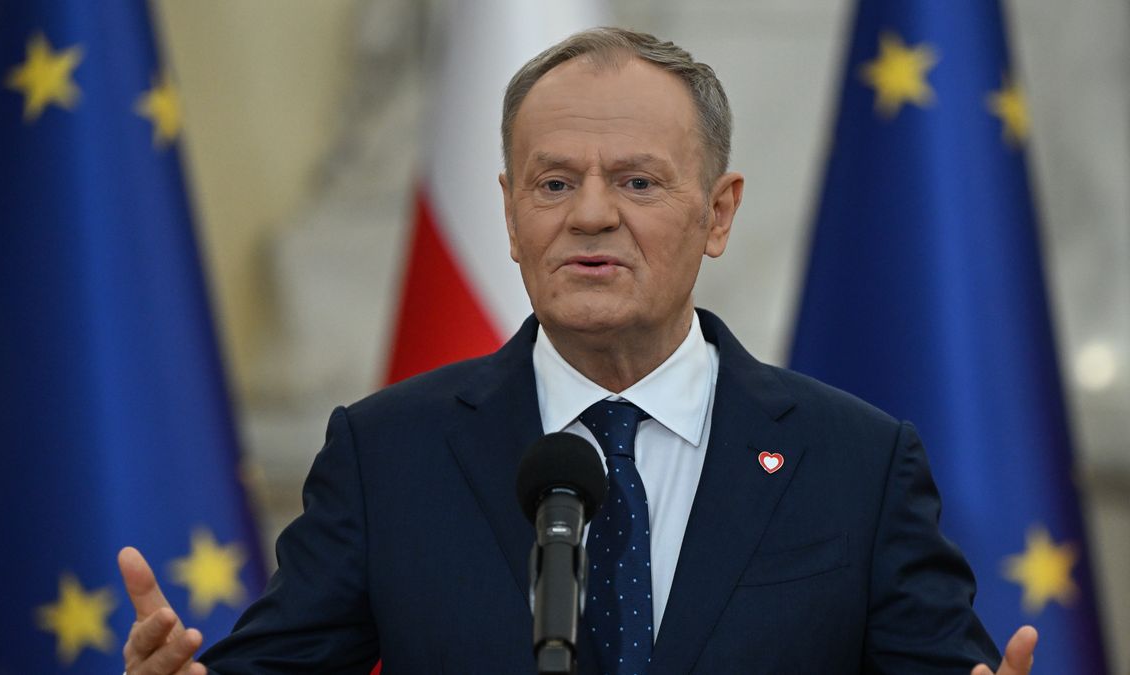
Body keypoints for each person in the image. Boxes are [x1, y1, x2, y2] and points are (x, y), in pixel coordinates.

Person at [118, 27, 1039, 674]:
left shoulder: (857, 465)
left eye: (637, 181)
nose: (590, 213)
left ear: (718, 213)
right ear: (512, 214)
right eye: (554, 182)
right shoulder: (389, 453)